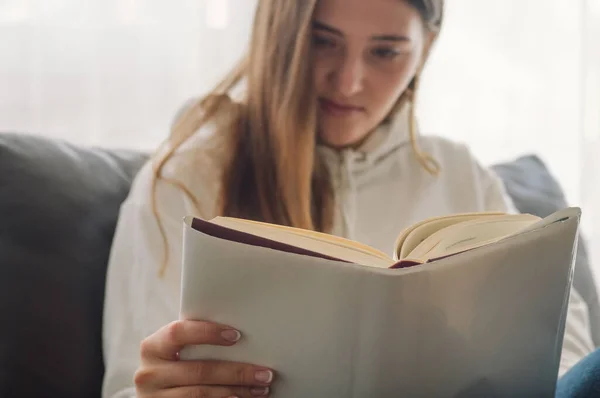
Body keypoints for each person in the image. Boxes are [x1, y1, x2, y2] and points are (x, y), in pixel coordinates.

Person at [101, 0, 598, 397]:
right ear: (279, 38)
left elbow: (569, 357)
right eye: (321, 42)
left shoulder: (462, 173)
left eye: (385, 52)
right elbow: (130, 385)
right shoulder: (183, 180)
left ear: (425, 50)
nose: (348, 80)